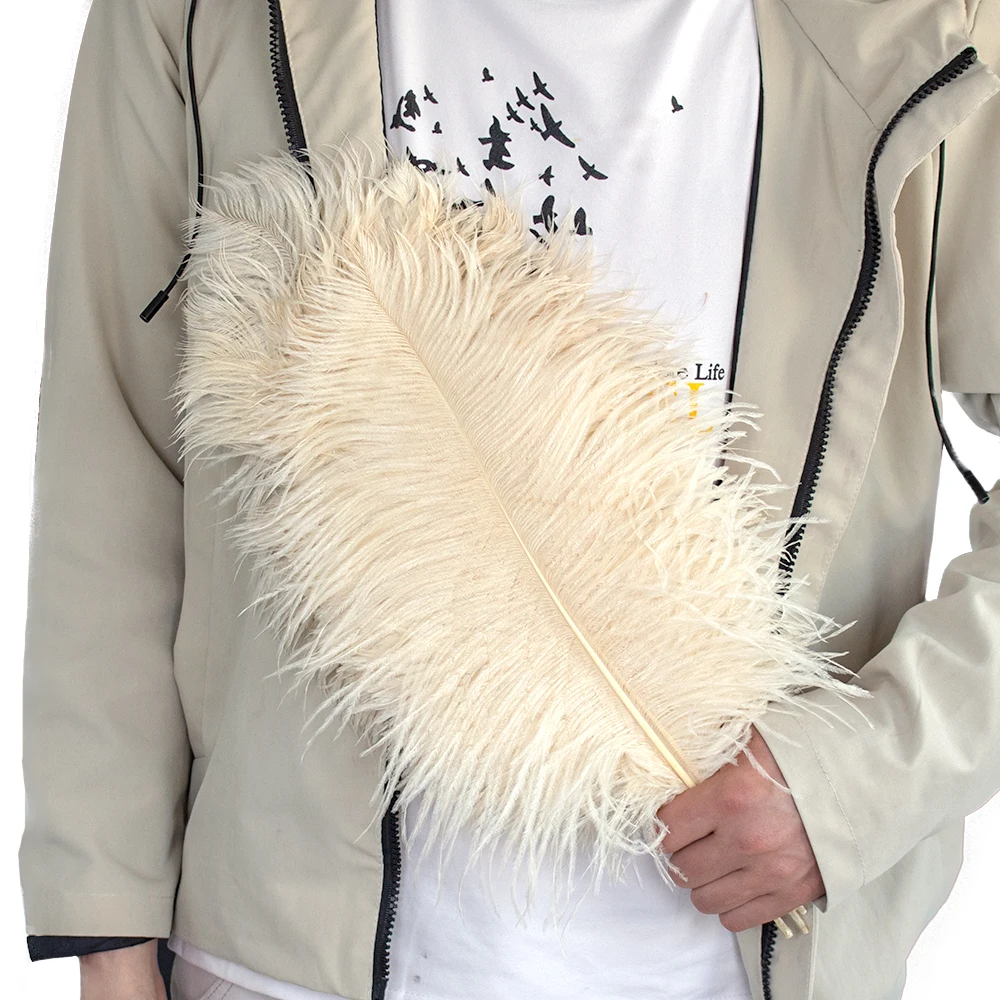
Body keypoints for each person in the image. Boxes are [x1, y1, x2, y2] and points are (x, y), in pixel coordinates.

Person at [18, 0, 1000, 999]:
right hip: (279, 961)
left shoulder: (929, 23)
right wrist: (109, 932)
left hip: (731, 970)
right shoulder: (198, 17)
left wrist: (855, 781)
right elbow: (114, 451)